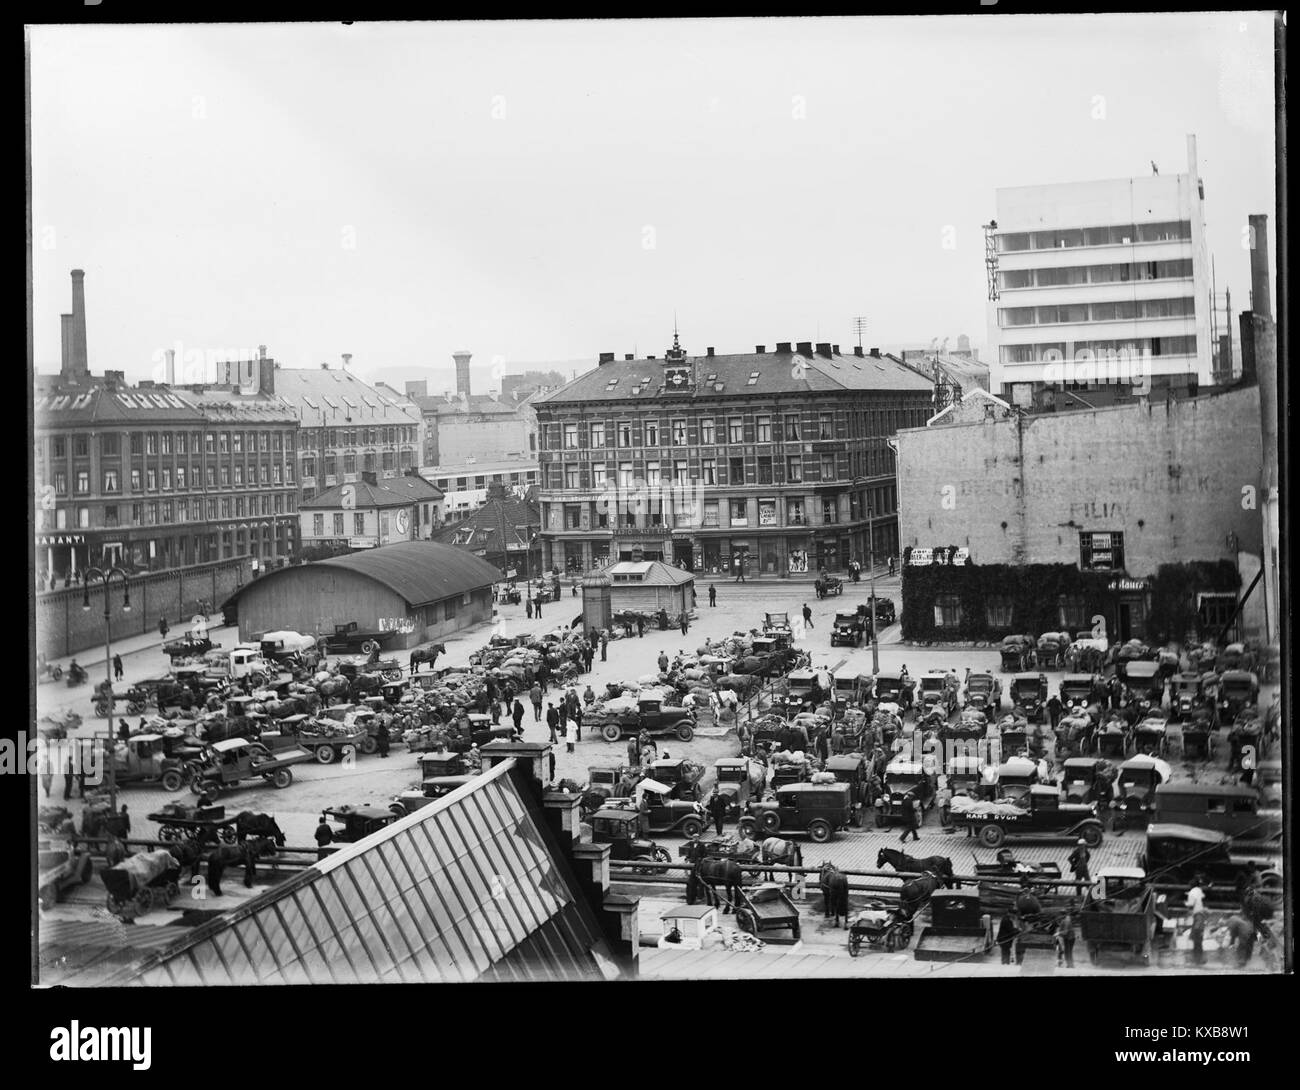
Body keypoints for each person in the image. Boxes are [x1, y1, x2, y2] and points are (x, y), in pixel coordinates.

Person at [1187, 875, 1208, 965]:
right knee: (1198, 940)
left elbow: (1191, 905)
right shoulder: (1199, 890)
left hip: (1198, 917)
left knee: (1197, 940)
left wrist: (1186, 903)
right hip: (1201, 915)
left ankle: (1198, 960)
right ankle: (1198, 959)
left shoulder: (1192, 892)